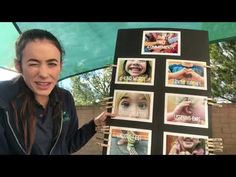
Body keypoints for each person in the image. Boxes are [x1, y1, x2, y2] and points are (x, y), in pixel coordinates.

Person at [0, 29, 113, 155]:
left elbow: (68, 145)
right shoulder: (2, 96)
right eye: (33, 64)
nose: (43, 74)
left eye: (52, 64)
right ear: (19, 66)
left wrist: (94, 125)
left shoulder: (65, 98)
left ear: (60, 66)